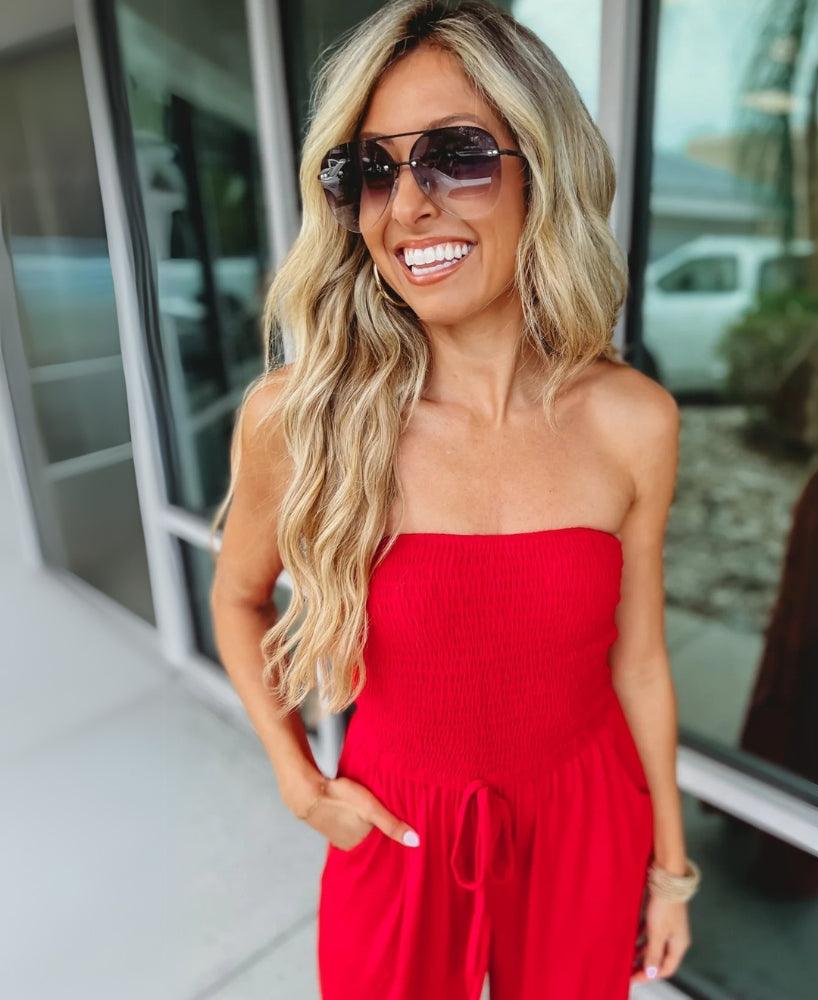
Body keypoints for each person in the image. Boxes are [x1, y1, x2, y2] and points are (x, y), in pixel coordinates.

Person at [208, 1, 699, 997]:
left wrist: (670, 871)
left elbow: (641, 662)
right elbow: (236, 597)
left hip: (587, 820)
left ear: (542, 171)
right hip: (398, 827)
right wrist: (301, 783)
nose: (406, 206)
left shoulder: (632, 420)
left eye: (456, 156)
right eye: (370, 170)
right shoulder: (300, 419)